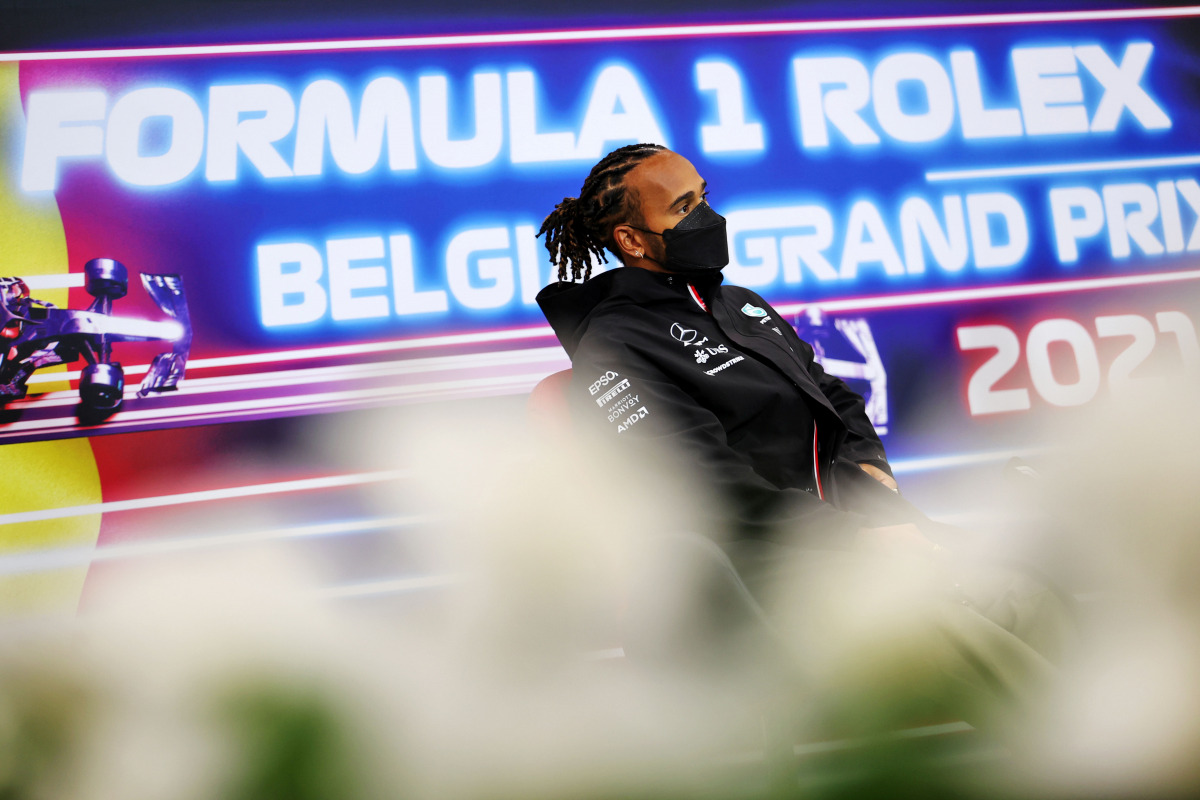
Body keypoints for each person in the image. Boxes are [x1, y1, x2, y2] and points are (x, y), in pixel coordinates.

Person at [534, 143, 1075, 729]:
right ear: (632, 240)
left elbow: (834, 398)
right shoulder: (613, 345)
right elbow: (708, 491)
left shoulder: (740, 305)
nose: (706, 218)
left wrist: (873, 478)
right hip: (766, 578)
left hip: (859, 540)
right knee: (940, 625)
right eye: (683, 207)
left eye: (705, 197)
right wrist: (862, 538)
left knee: (1031, 593)